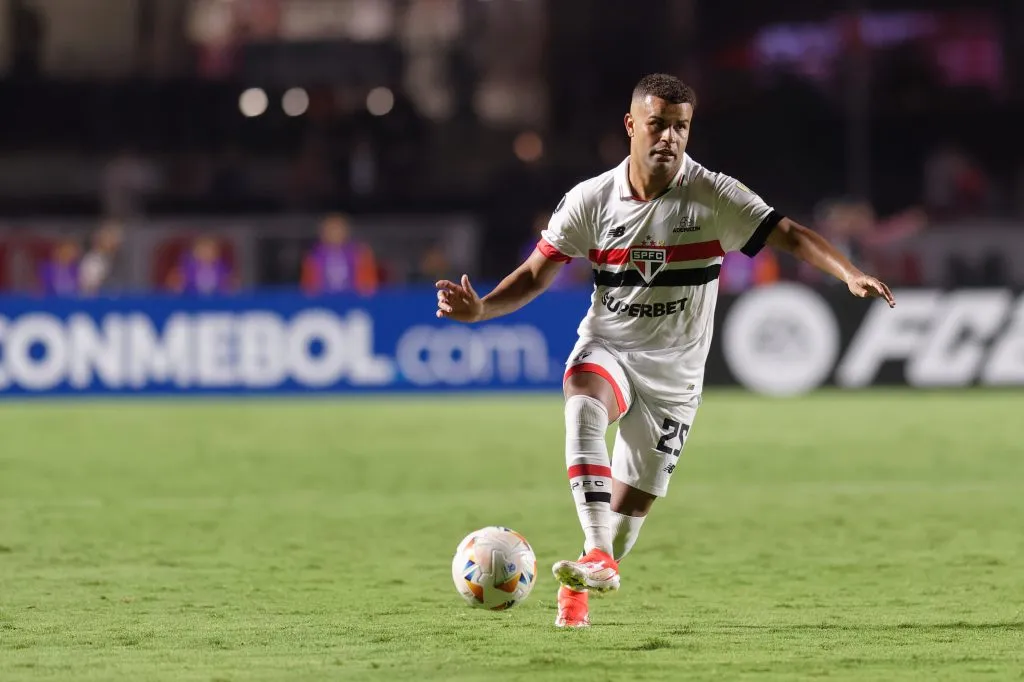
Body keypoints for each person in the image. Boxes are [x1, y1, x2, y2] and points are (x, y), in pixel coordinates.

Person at [434, 74, 895, 629]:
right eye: (658, 124)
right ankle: (599, 554)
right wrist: (481, 309)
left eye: (681, 127)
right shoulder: (591, 200)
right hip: (610, 345)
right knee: (583, 399)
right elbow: (536, 274)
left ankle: (588, 573)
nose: (670, 137)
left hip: (676, 378)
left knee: (628, 519)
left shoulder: (715, 195)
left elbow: (791, 234)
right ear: (632, 126)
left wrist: (849, 273)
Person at [300, 213, 379, 295]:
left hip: (354, 300)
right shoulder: (313, 256)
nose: (334, 234)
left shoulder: (360, 254)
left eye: (338, 230)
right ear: (322, 233)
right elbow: (308, 287)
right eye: (330, 230)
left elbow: (369, 286)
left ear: (346, 232)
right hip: (323, 301)